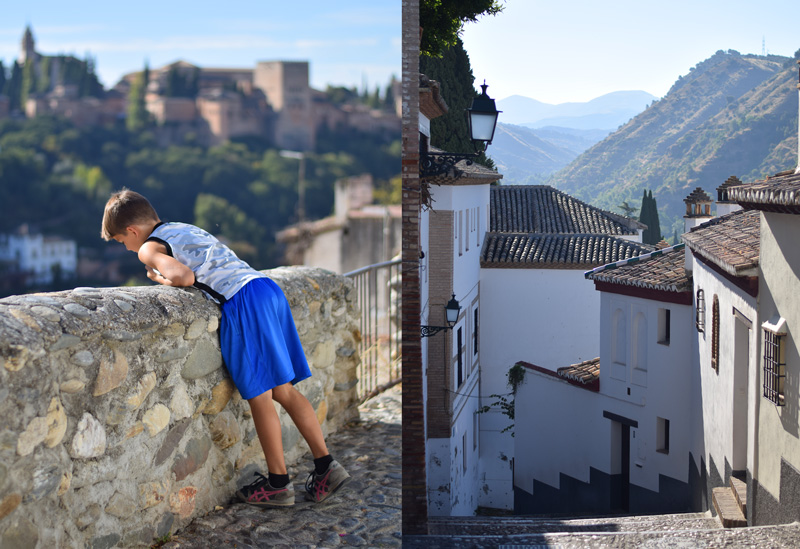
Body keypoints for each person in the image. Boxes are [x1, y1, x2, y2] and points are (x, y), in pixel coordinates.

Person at [101, 189, 350, 507]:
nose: (127, 247)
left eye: (123, 241)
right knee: (283, 390)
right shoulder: (181, 228)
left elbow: (184, 276)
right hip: (263, 289)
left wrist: (158, 277)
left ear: (132, 231)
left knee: (260, 396)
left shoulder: (149, 247)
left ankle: (278, 484)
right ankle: (325, 466)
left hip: (242, 302)